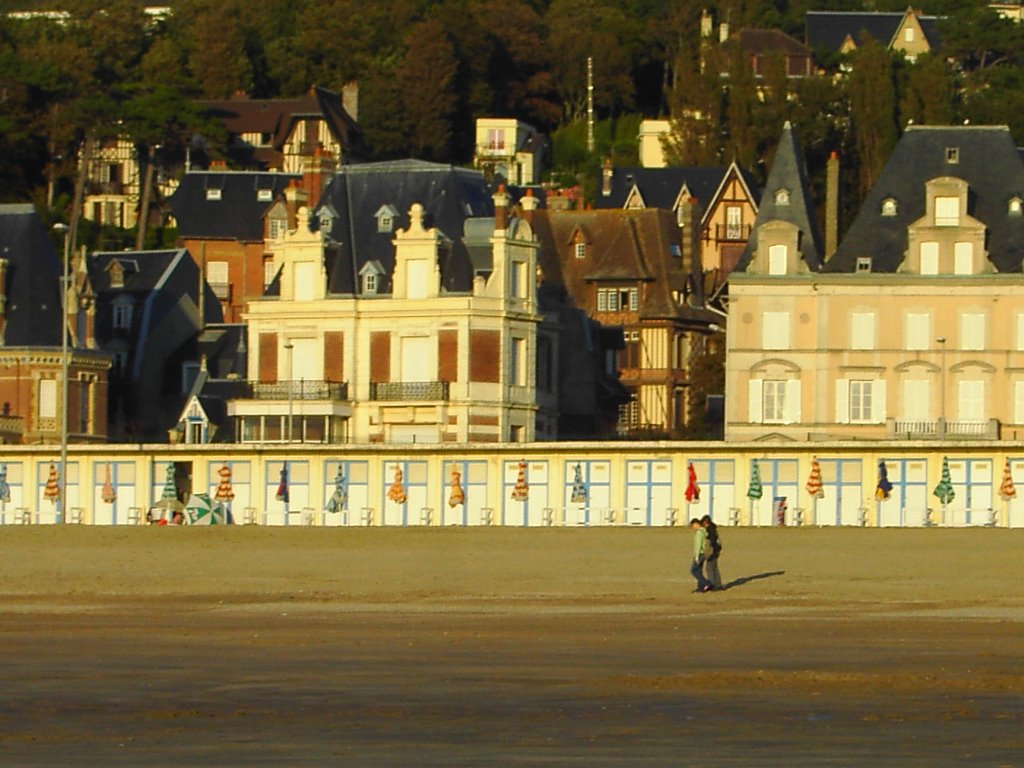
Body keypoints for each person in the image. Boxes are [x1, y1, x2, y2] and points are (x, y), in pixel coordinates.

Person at [689, 518, 712, 593]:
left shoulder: (699, 533)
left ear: (696, 524)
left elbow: (698, 545)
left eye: (693, 525)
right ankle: (701, 587)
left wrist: (696, 556)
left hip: (700, 554)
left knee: (693, 570)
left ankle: (706, 583)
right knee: (698, 571)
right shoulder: (704, 531)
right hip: (703, 553)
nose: (693, 527)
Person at [701, 515, 723, 590]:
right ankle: (718, 584)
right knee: (714, 567)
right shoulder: (714, 529)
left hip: (713, 551)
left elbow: (711, 542)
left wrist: (708, 553)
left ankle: (713, 584)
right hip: (717, 550)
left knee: (710, 568)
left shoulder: (710, 530)